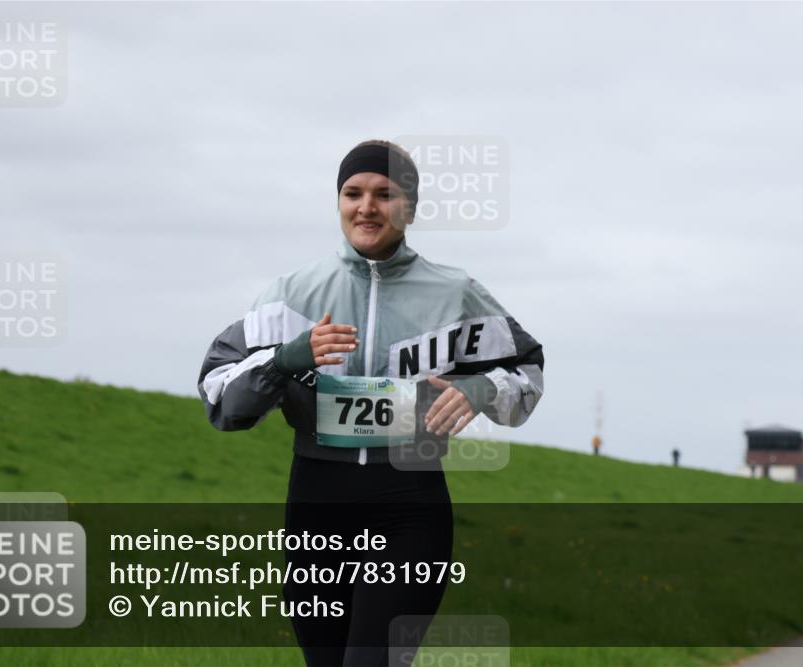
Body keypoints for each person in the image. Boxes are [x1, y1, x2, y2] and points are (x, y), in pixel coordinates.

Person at [197, 140, 544, 666]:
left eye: (385, 194)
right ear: (337, 201)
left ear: (410, 206)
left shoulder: (456, 293)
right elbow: (220, 397)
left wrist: (480, 390)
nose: (367, 207)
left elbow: (526, 372)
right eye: (352, 193)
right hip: (316, 505)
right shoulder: (291, 293)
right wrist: (284, 360)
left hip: (410, 505)